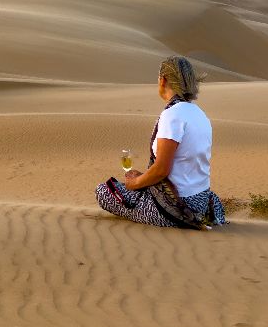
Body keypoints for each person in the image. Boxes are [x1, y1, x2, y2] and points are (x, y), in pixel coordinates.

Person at [95, 56, 226, 229]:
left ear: (162, 80)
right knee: (134, 182)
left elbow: (162, 169)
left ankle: (175, 219)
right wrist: (142, 177)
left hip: (174, 205)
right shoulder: (200, 114)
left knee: (104, 191)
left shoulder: (173, 115)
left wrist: (135, 183)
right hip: (201, 201)